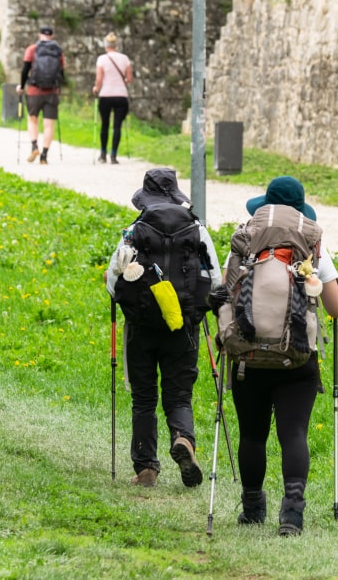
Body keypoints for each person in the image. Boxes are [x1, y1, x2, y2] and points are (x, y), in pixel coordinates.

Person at [220, 176, 338, 535]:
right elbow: (336, 309)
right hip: (298, 358)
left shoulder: (245, 241)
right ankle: (292, 514)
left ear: (265, 206)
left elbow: (224, 293)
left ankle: (252, 508)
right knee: (293, 434)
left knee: (252, 435)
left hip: (248, 356)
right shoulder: (312, 245)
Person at [105, 168, 222, 488]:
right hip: (183, 328)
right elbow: (215, 281)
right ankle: (183, 438)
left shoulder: (135, 230)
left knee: (144, 398)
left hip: (141, 328)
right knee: (179, 396)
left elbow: (113, 282)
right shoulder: (197, 229)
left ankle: (146, 468)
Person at [17, 25, 65, 165]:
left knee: (33, 120)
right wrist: (58, 87)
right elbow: (62, 73)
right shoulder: (58, 51)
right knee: (49, 125)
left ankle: (34, 147)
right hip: (52, 92)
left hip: (34, 91)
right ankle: (44, 156)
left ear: (39, 35)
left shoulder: (32, 49)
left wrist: (21, 86)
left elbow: (25, 70)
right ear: (52, 36)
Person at [93, 32, 133, 164]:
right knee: (117, 126)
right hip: (121, 95)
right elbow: (129, 78)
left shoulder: (102, 59)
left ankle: (103, 154)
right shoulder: (125, 58)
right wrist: (121, 82)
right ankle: (114, 155)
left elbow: (99, 78)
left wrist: (96, 88)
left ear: (106, 45)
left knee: (104, 125)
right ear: (117, 45)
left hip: (105, 95)